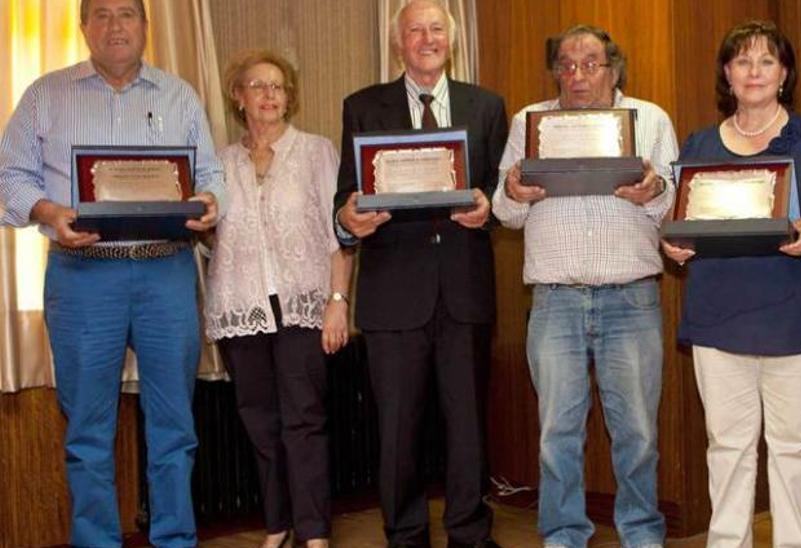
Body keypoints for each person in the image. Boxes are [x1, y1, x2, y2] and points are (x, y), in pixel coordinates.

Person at [0, 0, 224, 545]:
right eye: (101, 14)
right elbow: (9, 176)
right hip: (82, 279)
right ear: (83, 28)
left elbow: (211, 171)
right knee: (88, 431)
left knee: (174, 429)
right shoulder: (43, 95)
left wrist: (212, 199)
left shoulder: (180, 94)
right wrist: (49, 213)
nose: (115, 26)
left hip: (165, 274)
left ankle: (175, 539)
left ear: (145, 27)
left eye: (126, 13)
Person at [661, 21, 801, 547]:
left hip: (798, 318)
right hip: (719, 317)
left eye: (767, 61)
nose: (754, 72)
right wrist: (671, 244)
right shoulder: (698, 144)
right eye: (742, 61)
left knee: (794, 447)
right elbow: (681, 222)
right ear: (727, 72)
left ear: (785, 73)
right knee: (727, 447)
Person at [491, 24, 675, 548]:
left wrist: (654, 189)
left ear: (614, 69)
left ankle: (642, 535)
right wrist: (513, 188)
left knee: (637, 434)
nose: (576, 75)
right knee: (556, 437)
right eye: (566, 65)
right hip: (554, 301)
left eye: (590, 63)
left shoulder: (651, 119)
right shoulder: (530, 122)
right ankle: (564, 536)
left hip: (631, 299)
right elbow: (505, 214)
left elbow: (675, 205)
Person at [331, 1, 507, 546]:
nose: (426, 38)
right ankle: (403, 535)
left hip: (464, 291)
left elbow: (505, 195)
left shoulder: (486, 106)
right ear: (397, 42)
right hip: (392, 295)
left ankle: (469, 533)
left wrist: (489, 210)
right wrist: (347, 217)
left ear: (449, 41)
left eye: (436, 29)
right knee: (398, 432)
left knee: (468, 429)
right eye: (414, 30)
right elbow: (345, 194)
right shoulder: (363, 107)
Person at [204, 49, 353, 548]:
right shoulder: (219, 162)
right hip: (239, 304)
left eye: (278, 86)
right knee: (258, 421)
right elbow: (209, 235)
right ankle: (277, 524)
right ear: (238, 96)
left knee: (303, 420)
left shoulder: (315, 151)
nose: (269, 95)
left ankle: (313, 530)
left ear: (289, 97)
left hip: (302, 304)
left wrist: (338, 300)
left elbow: (339, 234)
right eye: (258, 86)